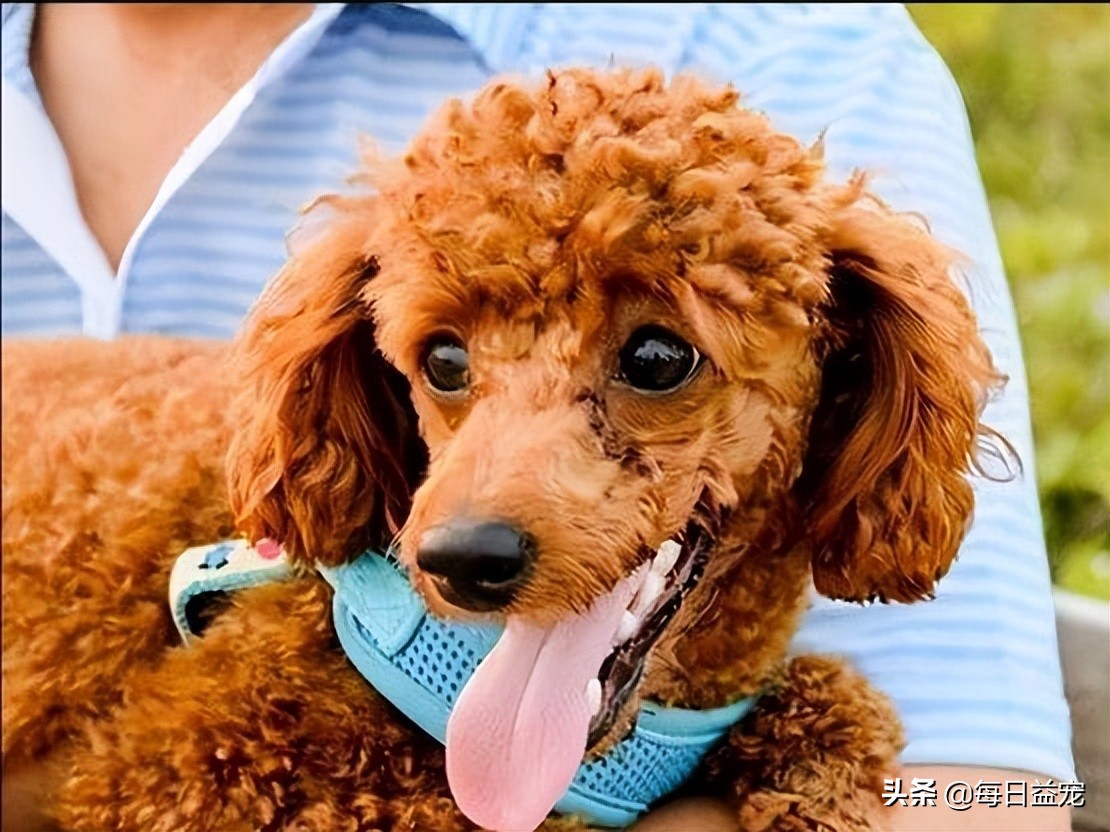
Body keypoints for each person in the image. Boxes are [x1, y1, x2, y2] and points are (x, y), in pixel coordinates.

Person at [0, 4, 1074, 830]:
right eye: (449, 364)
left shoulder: (779, 36)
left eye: (658, 362)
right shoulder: (320, 610)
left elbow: (985, 798)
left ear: (844, 362)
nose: (477, 505)